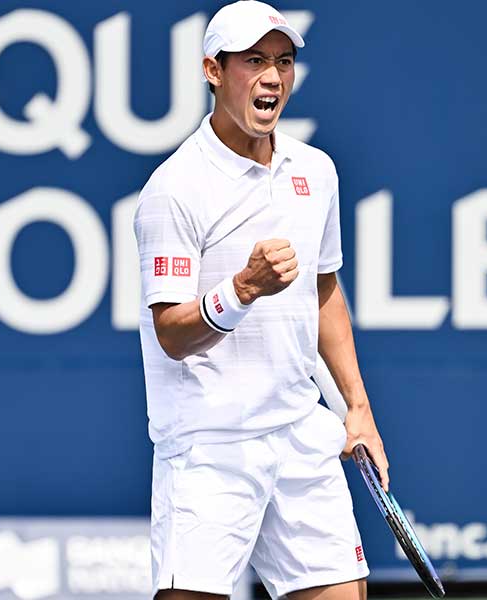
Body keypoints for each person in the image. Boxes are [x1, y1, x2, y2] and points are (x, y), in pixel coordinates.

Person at [133, 2, 390, 598]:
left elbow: (323, 290)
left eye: (283, 61)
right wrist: (242, 289)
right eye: (254, 61)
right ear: (213, 71)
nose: (273, 76)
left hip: (301, 431)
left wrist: (358, 407)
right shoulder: (174, 189)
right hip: (209, 443)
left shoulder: (316, 172)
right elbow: (171, 333)